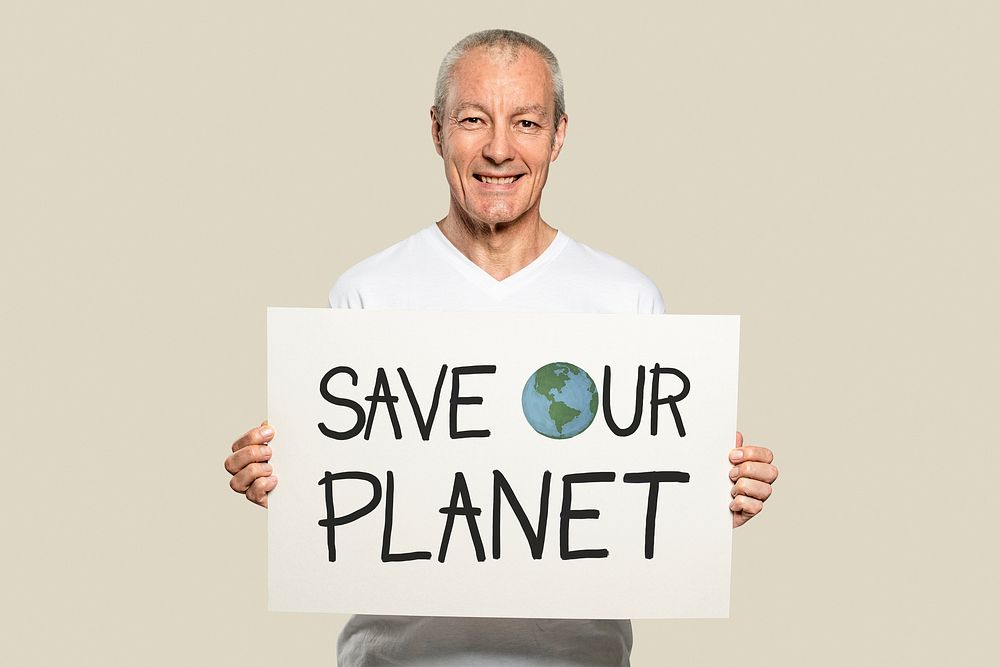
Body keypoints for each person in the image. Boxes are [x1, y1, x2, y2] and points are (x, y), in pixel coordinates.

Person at [225, 29, 778, 667]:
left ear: (558, 135)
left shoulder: (626, 300)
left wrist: (715, 491)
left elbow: (648, 501)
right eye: (471, 120)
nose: (498, 149)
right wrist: (279, 474)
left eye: (526, 122)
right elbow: (338, 492)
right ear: (436, 131)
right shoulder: (366, 293)